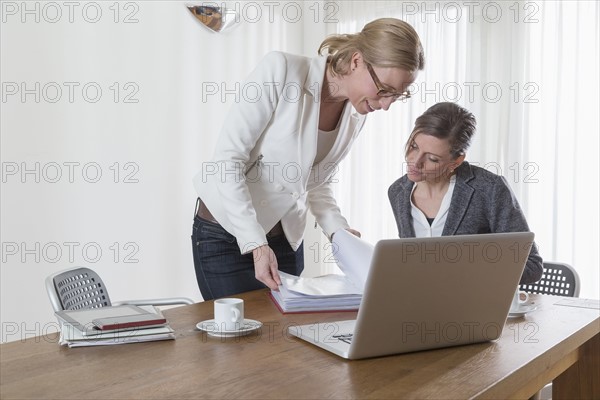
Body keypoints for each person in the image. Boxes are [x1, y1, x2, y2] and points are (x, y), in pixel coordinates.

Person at [192, 18, 425, 300]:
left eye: (397, 96)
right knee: (240, 340)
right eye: (384, 89)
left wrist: (338, 231)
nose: (386, 105)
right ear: (356, 61)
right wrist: (256, 244)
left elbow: (315, 181)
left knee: (282, 342)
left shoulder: (355, 113)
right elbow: (228, 161)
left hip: (286, 240)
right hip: (226, 234)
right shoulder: (282, 70)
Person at [388, 102, 543, 284]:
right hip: (420, 303)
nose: (415, 161)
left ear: (456, 161)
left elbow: (531, 266)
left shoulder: (489, 188)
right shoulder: (398, 192)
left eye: (432, 158)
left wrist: (469, 271)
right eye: (414, 146)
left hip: (476, 305)